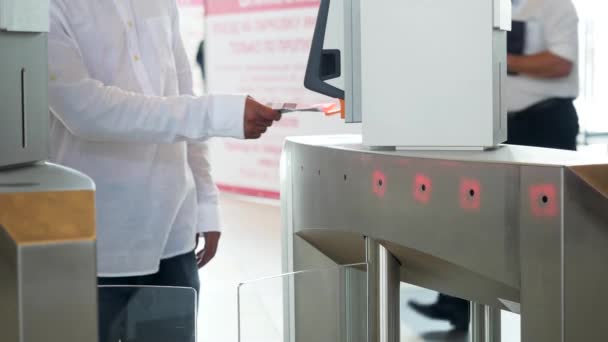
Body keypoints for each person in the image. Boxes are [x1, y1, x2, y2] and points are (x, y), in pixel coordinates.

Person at [47, 1, 281, 341]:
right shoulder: (48, 6)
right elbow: (86, 110)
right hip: (96, 246)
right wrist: (218, 114)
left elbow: (183, 95)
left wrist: (205, 205)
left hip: (174, 238)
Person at [409, 0, 580, 331]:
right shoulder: (483, 7)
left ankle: (562, 309)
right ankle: (454, 305)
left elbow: (561, 63)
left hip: (545, 122)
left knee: (551, 224)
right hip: (495, 123)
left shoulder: (554, 5)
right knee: (472, 214)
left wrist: (497, 57)